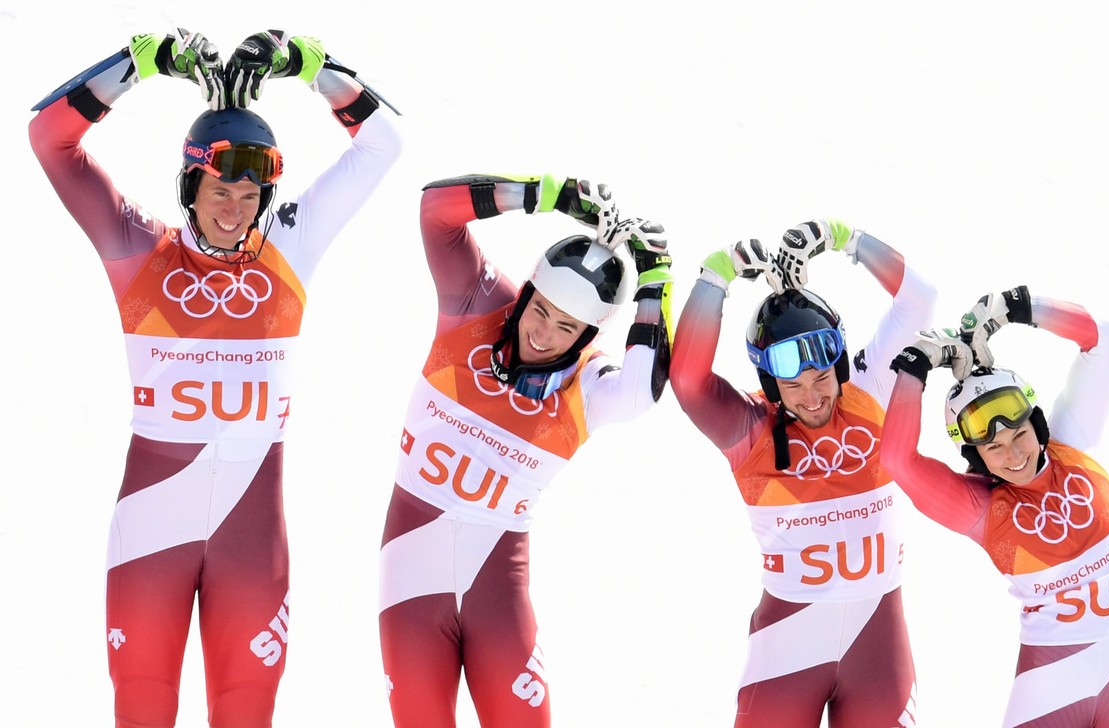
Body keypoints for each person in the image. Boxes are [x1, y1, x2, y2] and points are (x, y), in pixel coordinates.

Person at [29, 28, 402, 727]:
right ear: (189, 184)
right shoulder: (138, 251)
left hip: (250, 536)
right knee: (141, 709)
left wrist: (309, 67)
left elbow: (382, 146)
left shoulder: (290, 246)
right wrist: (141, 64)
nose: (233, 210)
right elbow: (50, 139)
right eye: (217, 189)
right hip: (149, 529)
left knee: (245, 712)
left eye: (249, 193)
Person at [378, 174, 672, 726]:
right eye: (539, 312)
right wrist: (545, 194)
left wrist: (655, 282)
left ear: (587, 338)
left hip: (496, 588)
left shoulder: (586, 385)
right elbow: (436, 212)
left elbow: (639, 390)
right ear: (526, 296)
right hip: (413, 573)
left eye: (566, 328)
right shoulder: (477, 304)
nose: (542, 334)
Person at [671, 220, 934, 727]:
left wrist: (844, 238)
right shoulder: (747, 429)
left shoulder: (870, 389)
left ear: (837, 364)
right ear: (769, 383)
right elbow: (686, 379)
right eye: (791, 385)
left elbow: (920, 301)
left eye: (820, 378)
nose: (812, 396)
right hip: (787, 649)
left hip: (876, 648)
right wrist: (716, 276)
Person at [882, 285, 1109, 727]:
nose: (1014, 455)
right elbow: (897, 460)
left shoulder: (1073, 441)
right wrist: (915, 365)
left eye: (1019, 435)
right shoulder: (978, 508)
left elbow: (1100, 338)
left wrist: (1018, 307)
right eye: (994, 448)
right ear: (975, 458)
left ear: (1036, 423)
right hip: (1053, 680)